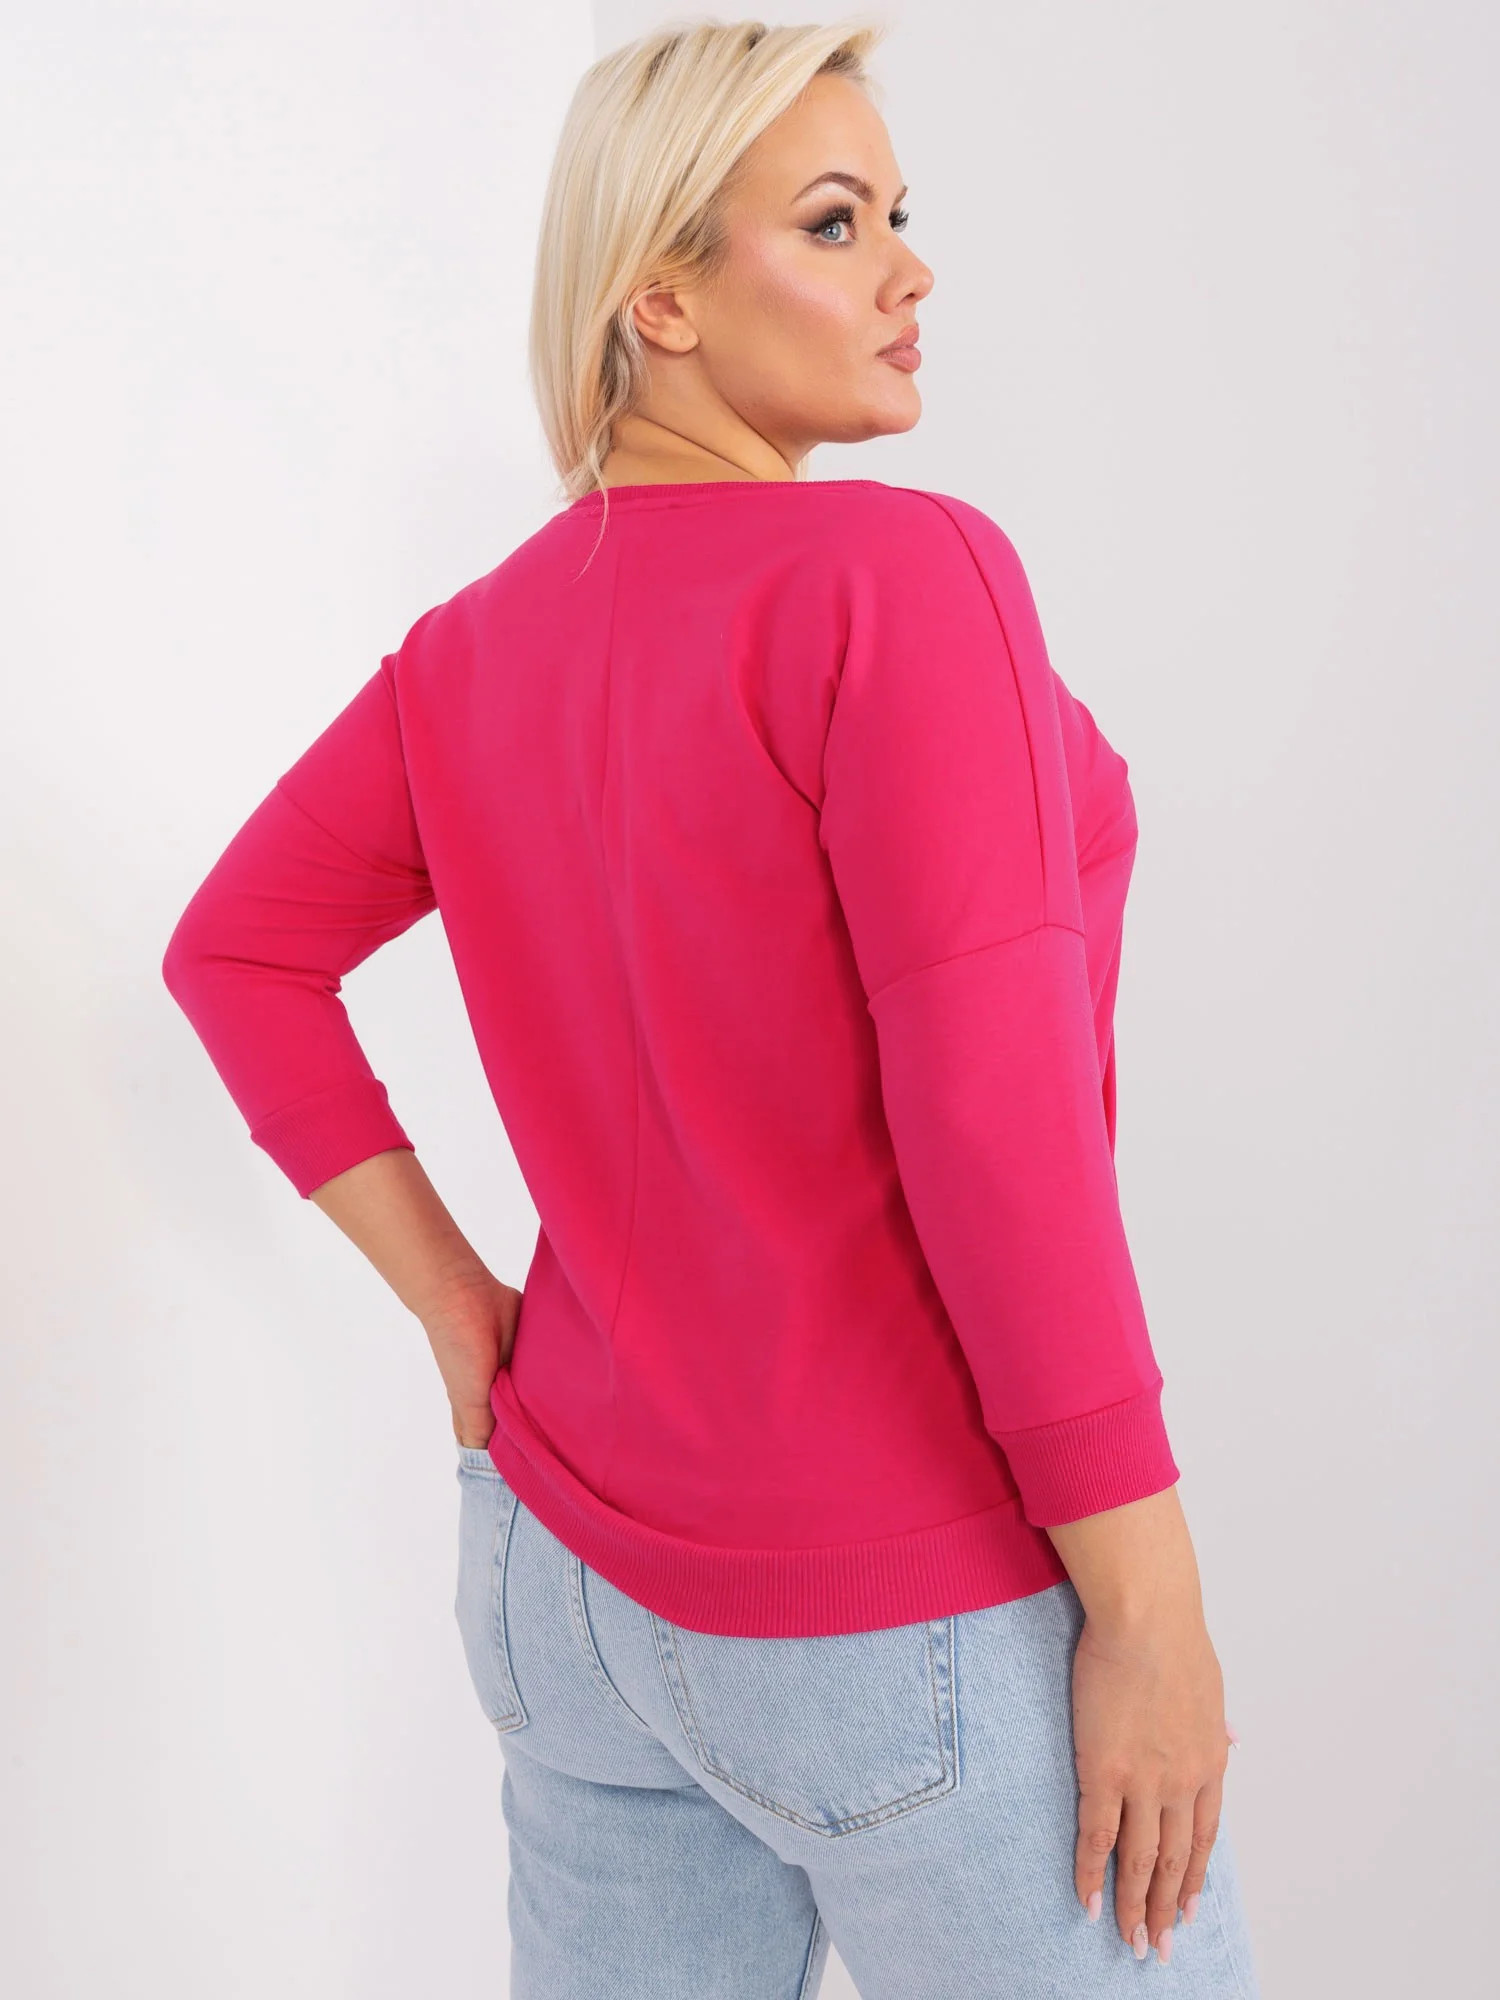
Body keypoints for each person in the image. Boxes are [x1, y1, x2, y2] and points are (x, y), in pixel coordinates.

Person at [160, 18, 1262, 1997]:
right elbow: (995, 1126)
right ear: (654, 299)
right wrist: (1150, 1602)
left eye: (900, 215)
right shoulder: (900, 575)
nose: (910, 271)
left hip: (564, 1585)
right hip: (893, 1602)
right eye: (835, 224)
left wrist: (458, 1305)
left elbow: (234, 954)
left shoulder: (470, 651)